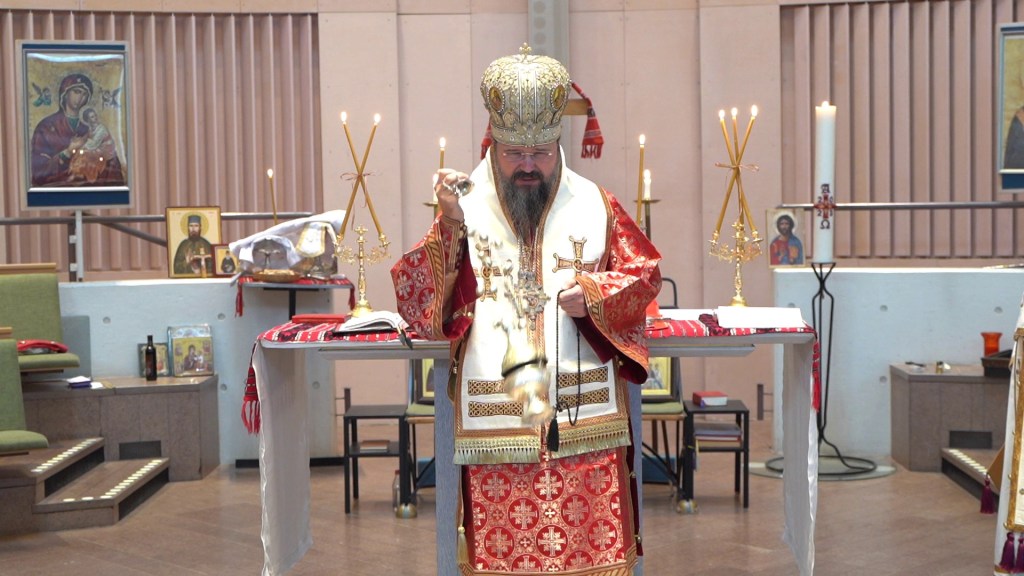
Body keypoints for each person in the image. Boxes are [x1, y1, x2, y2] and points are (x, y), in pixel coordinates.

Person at [391, 46, 661, 576]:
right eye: (515, 153)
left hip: (584, 421)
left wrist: (597, 293)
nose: (529, 165)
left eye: (541, 152)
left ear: (558, 144)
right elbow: (420, 305)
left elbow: (644, 275)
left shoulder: (596, 203)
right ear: (493, 143)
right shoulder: (463, 207)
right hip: (498, 421)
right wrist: (448, 227)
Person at [30, 73, 125, 187]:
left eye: (85, 94)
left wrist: (105, 153)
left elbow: (114, 169)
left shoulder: (92, 128)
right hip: (57, 191)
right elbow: (38, 172)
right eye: (76, 92)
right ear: (65, 94)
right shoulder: (46, 126)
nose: (80, 98)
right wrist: (68, 152)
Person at [68, 107, 118, 183]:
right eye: (92, 117)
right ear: (88, 120)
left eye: (95, 115)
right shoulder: (91, 128)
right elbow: (86, 138)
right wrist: (77, 140)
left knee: (86, 154)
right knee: (80, 153)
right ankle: (76, 173)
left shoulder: (101, 129)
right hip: (96, 147)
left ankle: (82, 174)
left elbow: (94, 143)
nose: (95, 118)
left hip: (106, 150)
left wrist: (83, 148)